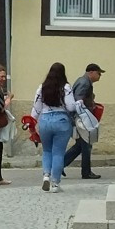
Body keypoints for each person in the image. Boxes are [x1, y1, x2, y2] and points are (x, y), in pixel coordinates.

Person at [32, 62, 77, 193]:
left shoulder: (42, 87)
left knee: (47, 151)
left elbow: (36, 108)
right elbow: (71, 107)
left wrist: (32, 122)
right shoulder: (66, 87)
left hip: (45, 121)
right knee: (58, 153)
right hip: (61, 121)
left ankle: (46, 176)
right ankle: (55, 184)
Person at [63, 63, 104, 179]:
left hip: (80, 117)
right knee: (86, 145)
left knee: (80, 145)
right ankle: (86, 172)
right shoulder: (84, 82)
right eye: (98, 73)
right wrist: (83, 115)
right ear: (91, 72)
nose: (100, 76)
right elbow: (78, 100)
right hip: (82, 118)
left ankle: (59, 165)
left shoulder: (83, 81)